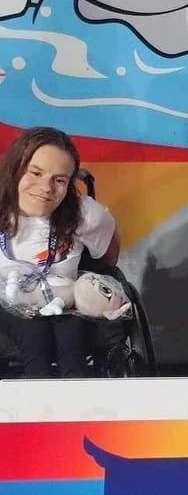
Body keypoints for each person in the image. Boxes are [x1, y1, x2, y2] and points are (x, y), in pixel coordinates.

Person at [0, 127, 120, 378]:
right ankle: (38, 395)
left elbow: (106, 259)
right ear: (15, 169)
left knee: (72, 333)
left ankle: (75, 398)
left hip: (64, 300)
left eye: (59, 180)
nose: (46, 187)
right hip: (7, 301)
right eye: (35, 173)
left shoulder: (85, 215)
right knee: (33, 333)